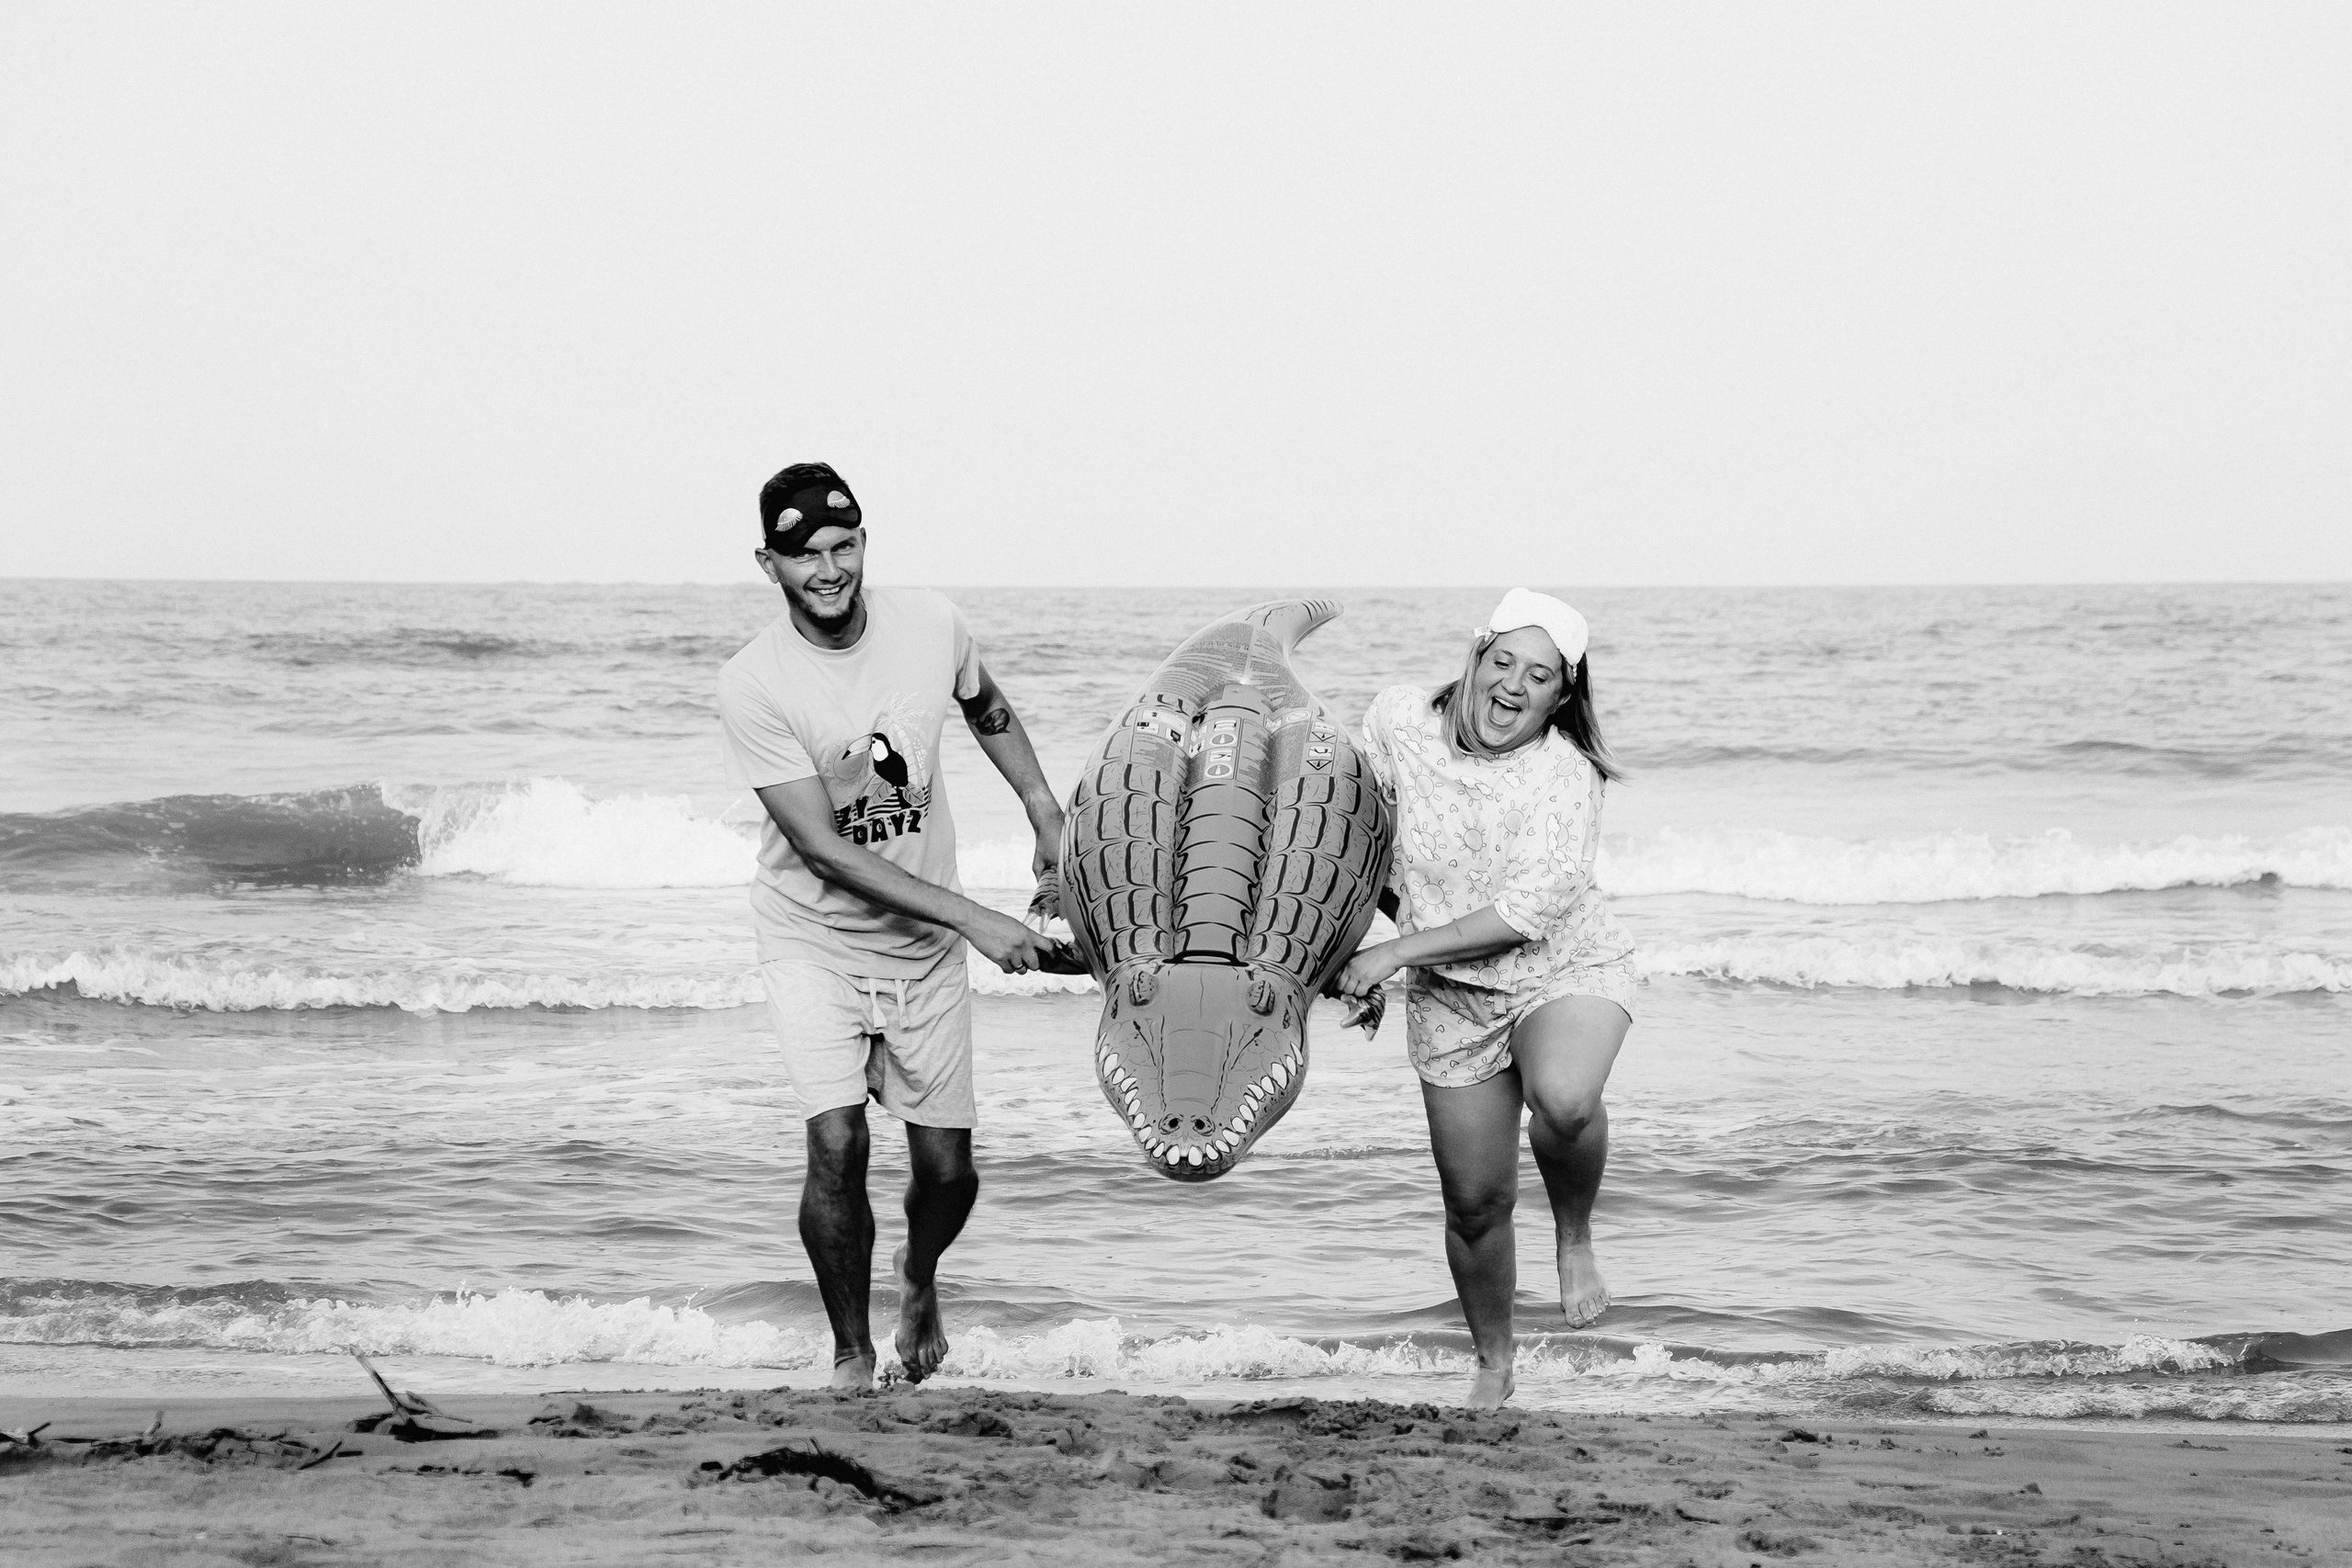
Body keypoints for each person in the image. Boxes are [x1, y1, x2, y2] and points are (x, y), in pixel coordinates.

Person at [718, 461, 1065, 1391]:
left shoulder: (931, 624)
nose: (828, 570)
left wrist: (1042, 809)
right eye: (805, 556)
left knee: (947, 1174)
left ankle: (920, 1276)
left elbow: (984, 704)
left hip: (918, 950)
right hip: (811, 937)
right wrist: (978, 920)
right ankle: (849, 1354)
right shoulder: (754, 684)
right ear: (769, 564)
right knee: (837, 1140)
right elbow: (827, 853)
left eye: (843, 547)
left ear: (864, 543)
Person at [1336, 588, 1636, 1410]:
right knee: (1475, 1202)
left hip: (1559, 966)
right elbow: (1352, 831)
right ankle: (1495, 1362)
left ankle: (1574, 1236)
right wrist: (1341, 952)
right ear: (1474, 655)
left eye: (1538, 676)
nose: (1513, 685)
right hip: (1449, 999)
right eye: (1503, 661)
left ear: (1561, 695)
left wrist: (1390, 953)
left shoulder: (1565, 776)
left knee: (1566, 1099)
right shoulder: (1399, 719)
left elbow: (1524, 914)